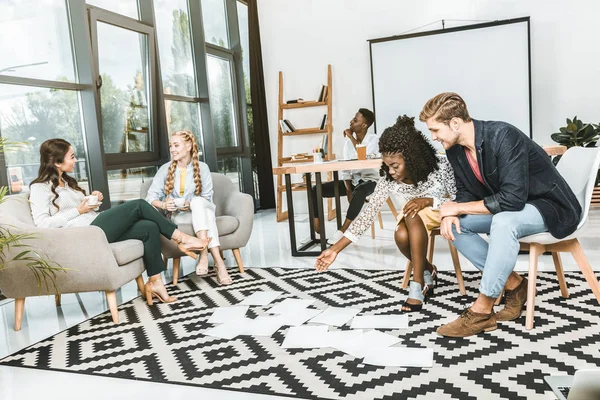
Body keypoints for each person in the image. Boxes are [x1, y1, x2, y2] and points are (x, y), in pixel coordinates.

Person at [419, 92, 582, 337]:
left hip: (550, 206)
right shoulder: (455, 149)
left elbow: (512, 199)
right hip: (515, 207)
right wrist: (452, 213)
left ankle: (482, 312)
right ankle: (515, 285)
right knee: (456, 226)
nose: (433, 137)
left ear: (454, 123)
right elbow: (464, 189)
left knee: (504, 222)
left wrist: (456, 207)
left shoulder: (504, 136)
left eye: (435, 130)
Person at [29, 139, 211, 306]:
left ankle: (155, 282)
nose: (76, 161)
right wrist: (79, 210)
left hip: (93, 227)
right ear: (56, 162)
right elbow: (43, 224)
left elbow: (81, 212)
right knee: (139, 205)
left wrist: (91, 203)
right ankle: (181, 238)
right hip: (84, 237)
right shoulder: (39, 188)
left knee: (149, 227)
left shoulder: (67, 182)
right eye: (72, 157)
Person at [314, 115, 457, 312]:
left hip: (439, 211)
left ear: (412, 158)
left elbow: (460, 200)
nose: (390, 171)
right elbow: (366, 216)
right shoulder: (388, 180)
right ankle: (427, 270)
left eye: (395, 166)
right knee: (401, 232)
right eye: (387, 165)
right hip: (411, 218)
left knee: (411, 213)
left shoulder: (440, 166)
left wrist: (429, 200)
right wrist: (335, 250)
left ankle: (417, 286)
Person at [145, 130, 232, 285]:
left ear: (189, 145)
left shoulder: (202, 168)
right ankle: (218, 263)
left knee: (199, 203)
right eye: (171, 146)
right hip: (180, 215)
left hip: (201, 208)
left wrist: (191, 203)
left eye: (176, 145)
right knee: (208, 216)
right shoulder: (165, 169)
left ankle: (204, 255)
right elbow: (150, 197)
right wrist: (164, 204)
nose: (172, 149)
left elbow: (206, 197)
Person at [311, 108, 380, 245]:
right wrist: (348, 189)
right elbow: (346, 170)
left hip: (370, 181)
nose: (351, 122)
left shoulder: (374, 140)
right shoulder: (348, 144)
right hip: (353, 182)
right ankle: (317, 225)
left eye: (355, 120)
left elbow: (363, 157)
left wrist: (350, 137)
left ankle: (344, 229)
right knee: (316, 189)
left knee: (360, 190)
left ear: (364, 125)